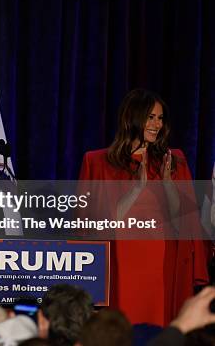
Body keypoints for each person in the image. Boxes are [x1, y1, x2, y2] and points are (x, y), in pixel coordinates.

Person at [79, 89, 209, 325]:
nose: (157, 124)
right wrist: (138, 188)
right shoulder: (98, 162)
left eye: (160, 118)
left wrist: (167, 182)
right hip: (121, 261)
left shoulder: (174, 159)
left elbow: (181, 220)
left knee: (157, 323)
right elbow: (98, 225)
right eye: (151, 117)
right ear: (133, 117)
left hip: (161, 259)